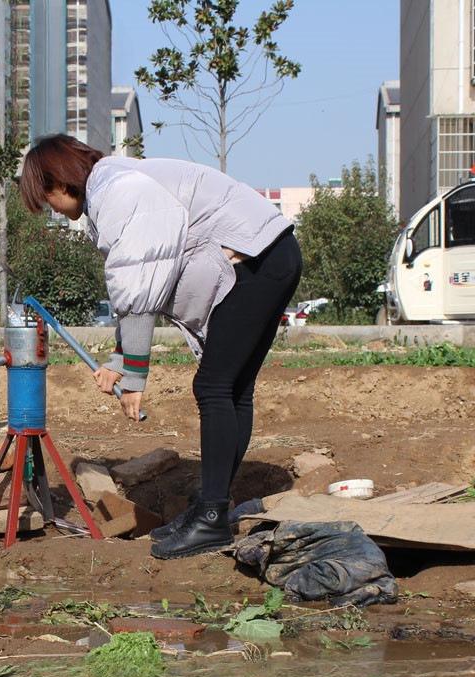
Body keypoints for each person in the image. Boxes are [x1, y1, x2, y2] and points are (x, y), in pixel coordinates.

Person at [19, 134, 302, 560]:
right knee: (232, 389)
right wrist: (120, 359)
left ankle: (210, 518)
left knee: (215, 387)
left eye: (47, 199)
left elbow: (139, 277)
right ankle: (213, 510)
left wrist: (134, 373)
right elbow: (138, 283)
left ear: (61, 181)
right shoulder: (113, 185)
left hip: (258, 259)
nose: (52, 211)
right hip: (268, 254)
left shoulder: (117, 191)